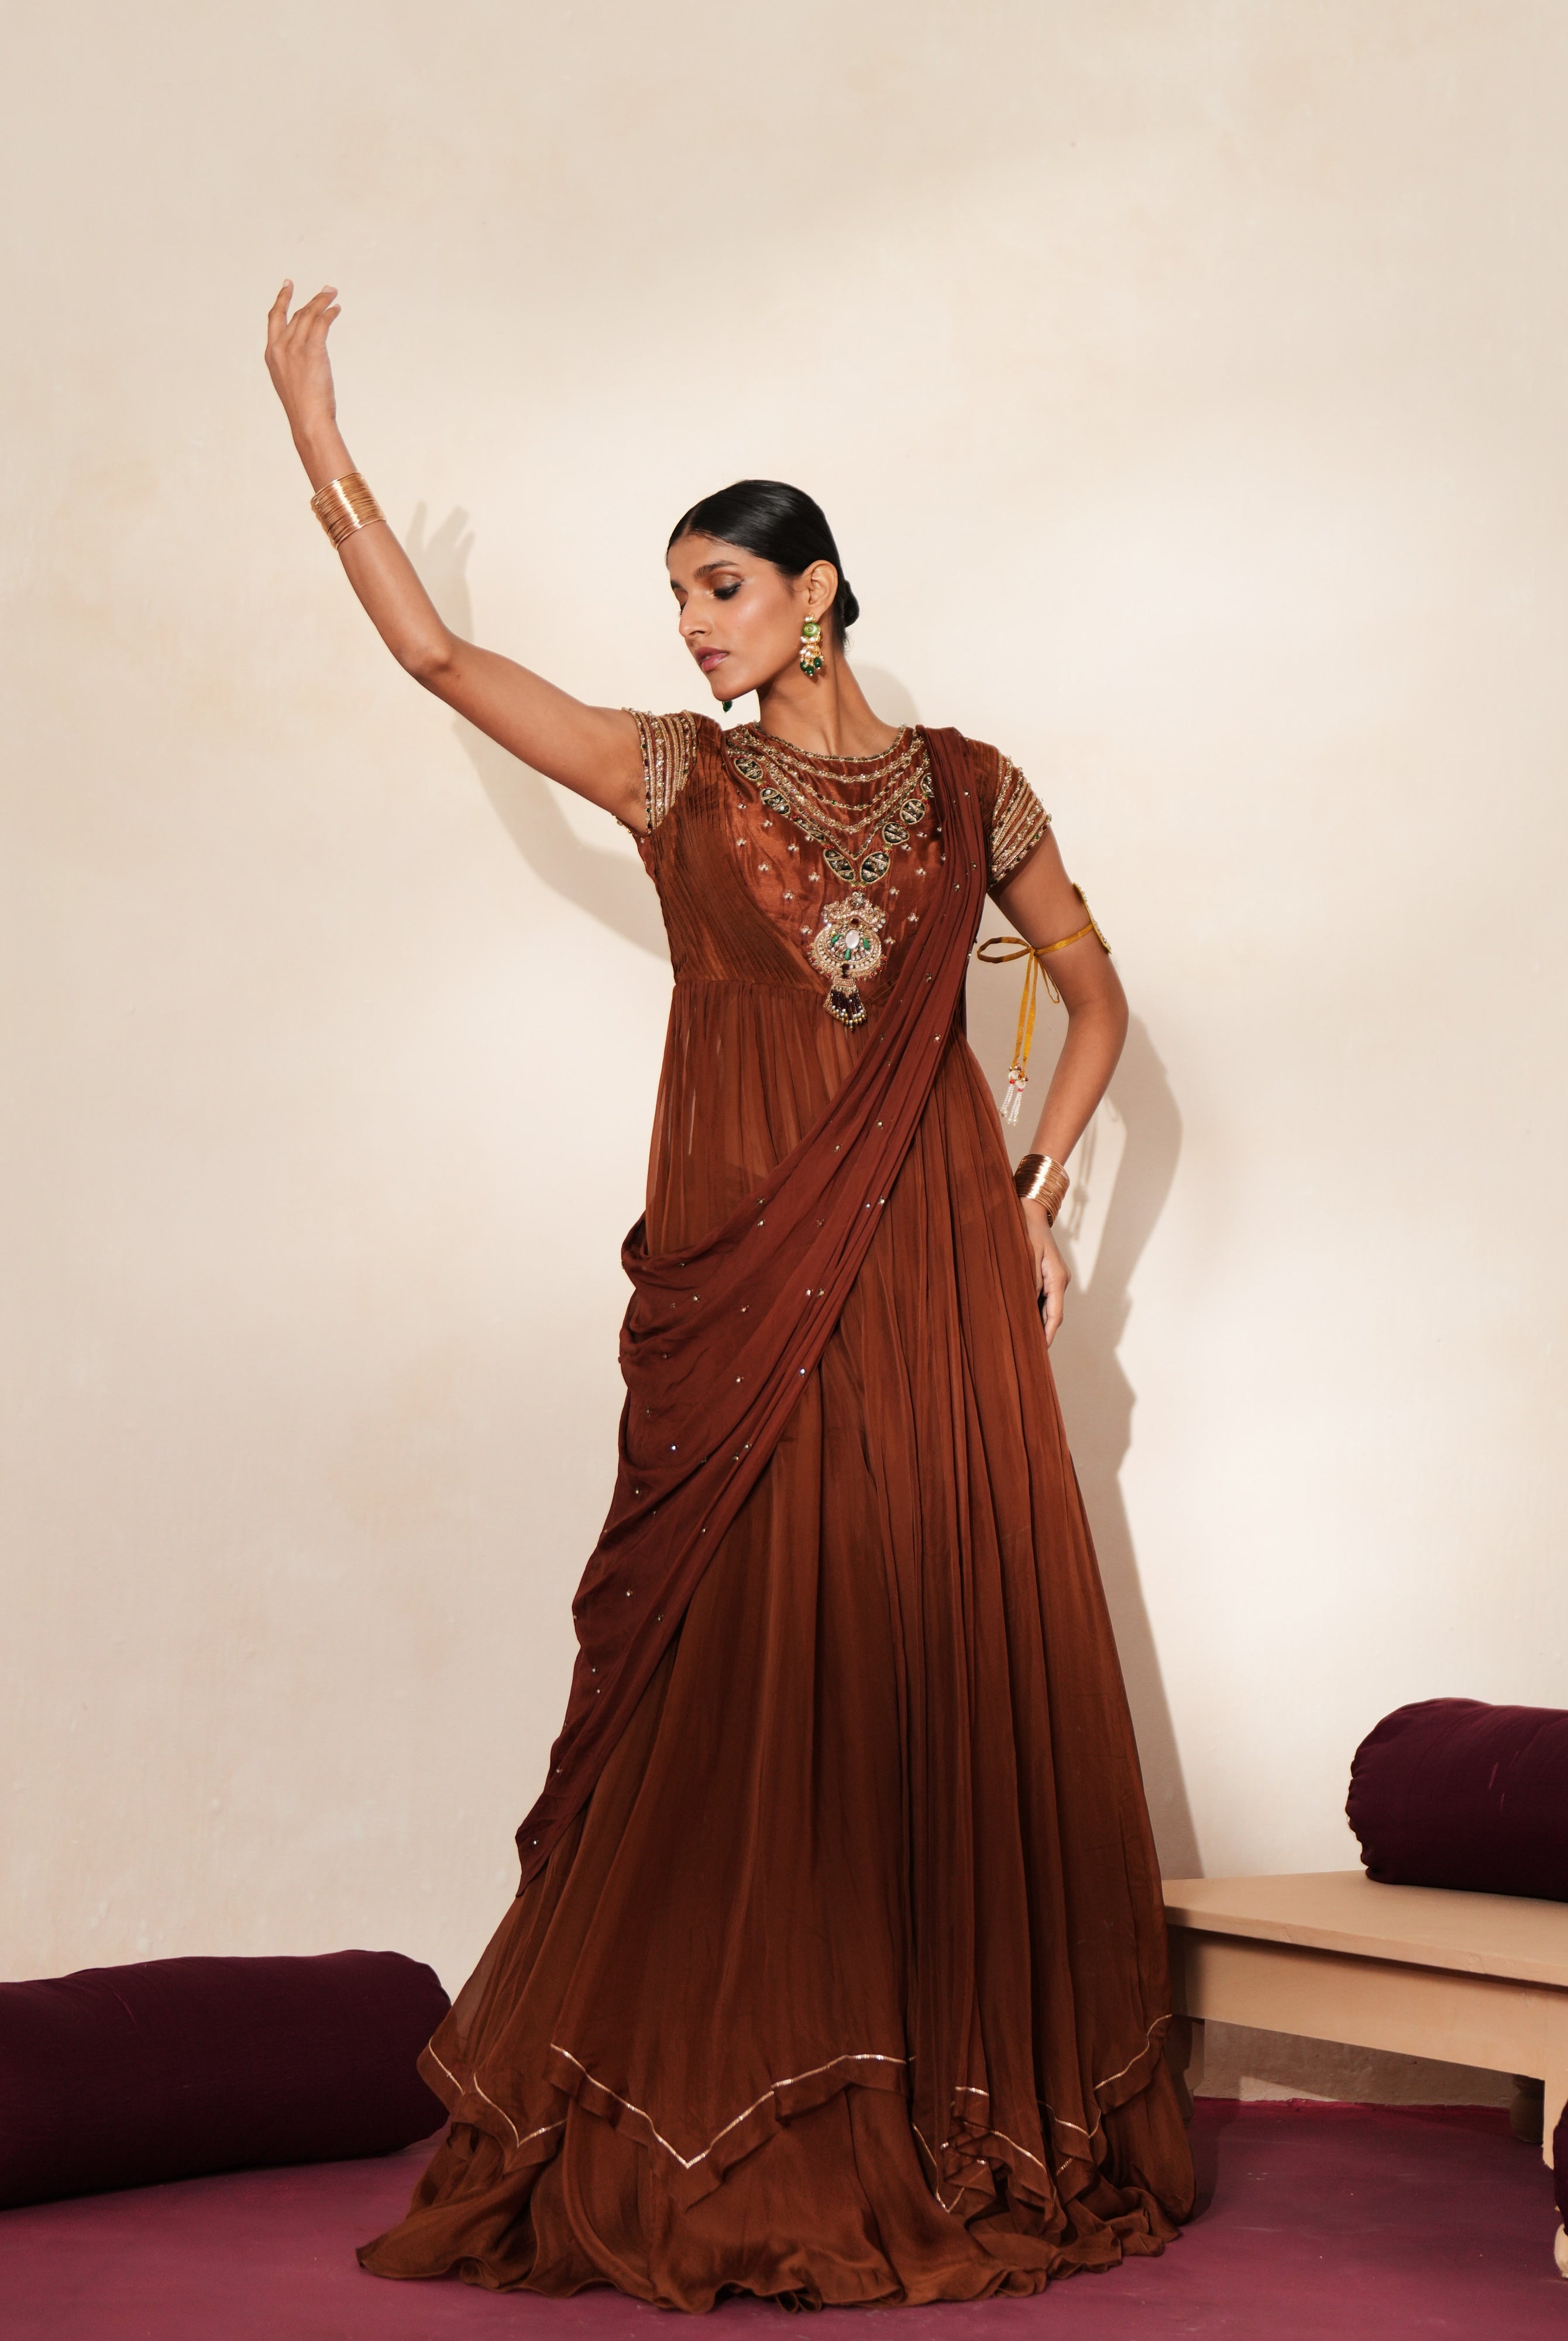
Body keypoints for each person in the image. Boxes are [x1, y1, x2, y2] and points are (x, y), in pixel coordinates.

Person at [265, 282, 1194, 2310]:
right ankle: (753, 2095)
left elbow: (1093, 989)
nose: (691, 625)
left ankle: (966, 2101)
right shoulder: (678, 780)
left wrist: (1040, 1172)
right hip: (750, 1278)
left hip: (939, 1261)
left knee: (935, 1635)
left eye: (720, 586)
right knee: (756, 1656)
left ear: (817, 590)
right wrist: (322, 454)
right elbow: (435, 656)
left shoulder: (972, 786)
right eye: (676, 596)